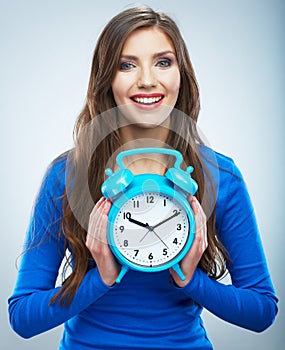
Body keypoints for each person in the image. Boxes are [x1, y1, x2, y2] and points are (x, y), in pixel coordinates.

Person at [8, 6, 278, 350]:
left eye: (163, 62)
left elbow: (262, 311)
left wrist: (190, 280)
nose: (147, 80)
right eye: (127, 64)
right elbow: (23, 318)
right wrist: (100, 279)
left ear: (182, 74)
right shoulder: (67, 174)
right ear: (107, 78)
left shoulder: (220, 176)